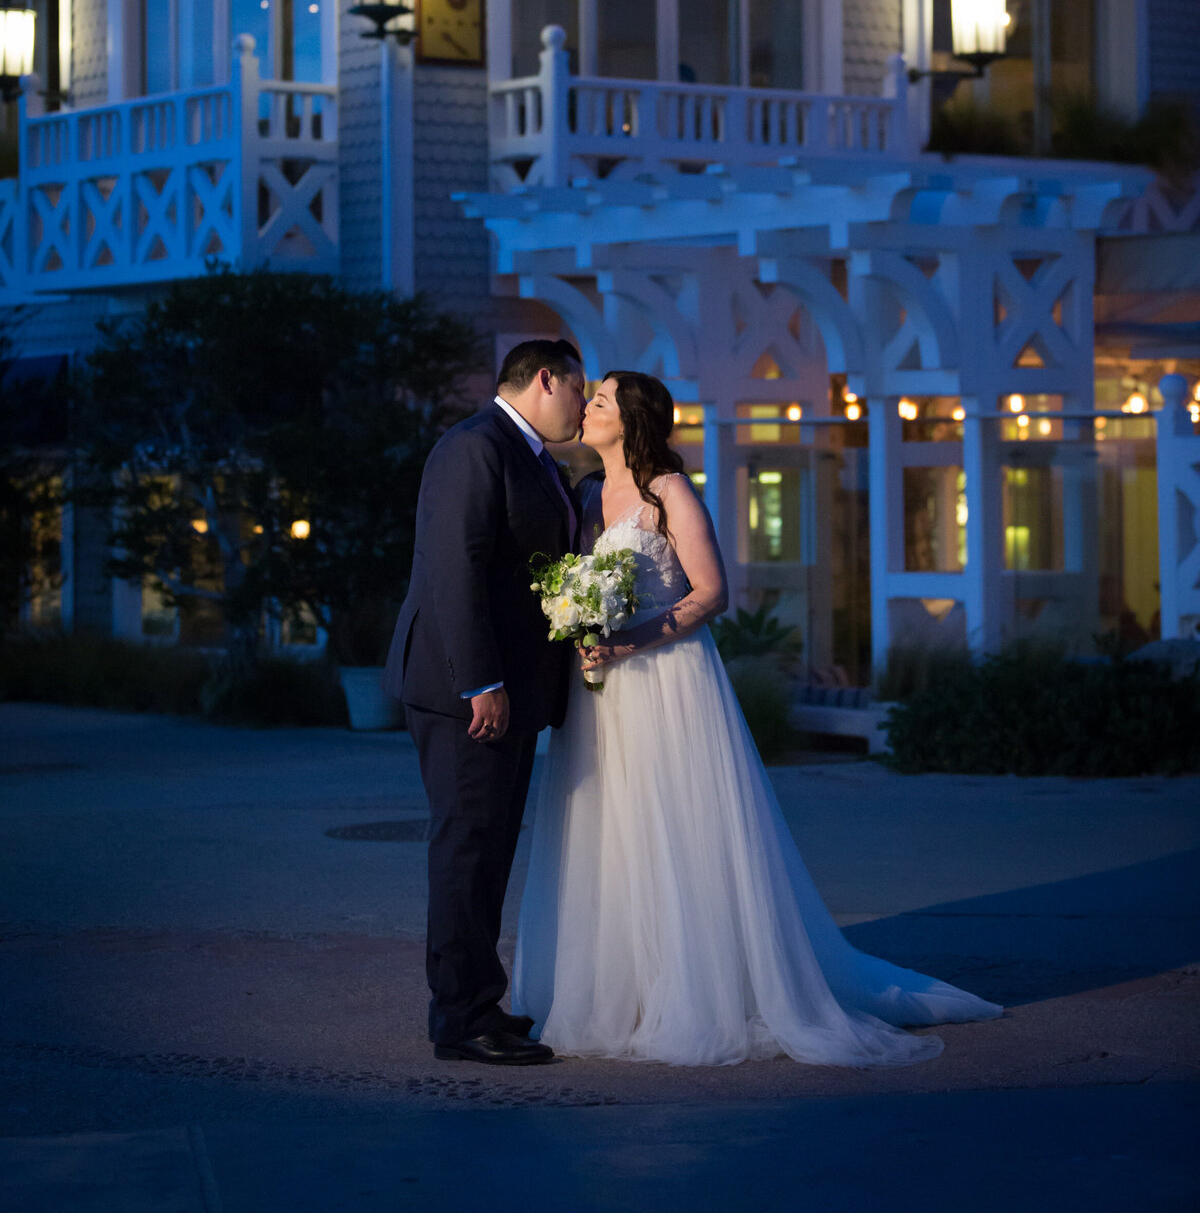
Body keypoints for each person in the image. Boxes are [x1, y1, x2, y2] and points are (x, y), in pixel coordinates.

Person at [513, 370, 1003, 1066]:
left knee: (677, 825)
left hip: (664, 679)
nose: (586, 407)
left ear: (630, 419)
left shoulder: (668, 491)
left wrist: (630, 638)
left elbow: (711, 593)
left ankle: (700, 989)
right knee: (610, 829)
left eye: (599, 400)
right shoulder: (588, 494)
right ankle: (619, 991)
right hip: (601, 690)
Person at [384, 339, 586, 1066]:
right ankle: (460, 1018)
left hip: (511, 688)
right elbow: (453, 569)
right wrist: (481, 681)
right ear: (544, 379)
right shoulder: (474, 447)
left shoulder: (528, 455)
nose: (582, 405)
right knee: (466, 847)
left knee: (490, 848)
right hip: (464, 690)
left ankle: (479, 1002)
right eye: (578, 388)